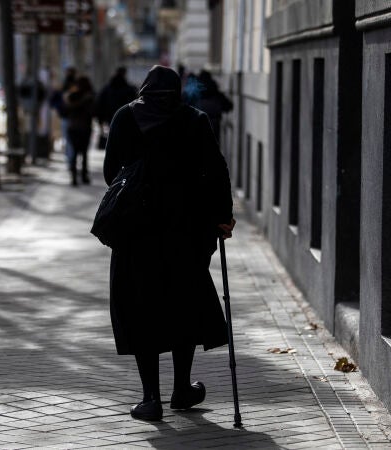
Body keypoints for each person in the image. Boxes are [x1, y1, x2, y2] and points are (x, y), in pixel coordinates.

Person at [103, 65, 237, 421]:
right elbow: (216, 170)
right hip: (186, 232)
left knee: (141, 309)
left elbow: (109, 172)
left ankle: (151, 398)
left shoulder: (124, 117)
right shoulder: (194, 119)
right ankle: (181, 388)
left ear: (144, 88)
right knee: (183, 307)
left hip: (137, 233)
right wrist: (223, 216)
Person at [63, 75, 95, 185]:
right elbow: (93, 111)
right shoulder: (88, 97)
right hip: (84, 127)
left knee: (75, 152)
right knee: (84, 153)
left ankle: (74, 176)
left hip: (73, 127)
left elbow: (66, 109)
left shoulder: (73, 95)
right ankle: (83, 176)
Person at [94, 66, 137, 133]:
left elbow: (100, 104)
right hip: (124, 119)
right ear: (124, 74)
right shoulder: (129, 89)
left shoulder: (107, 89)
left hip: (109, 118)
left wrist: (100, 121)